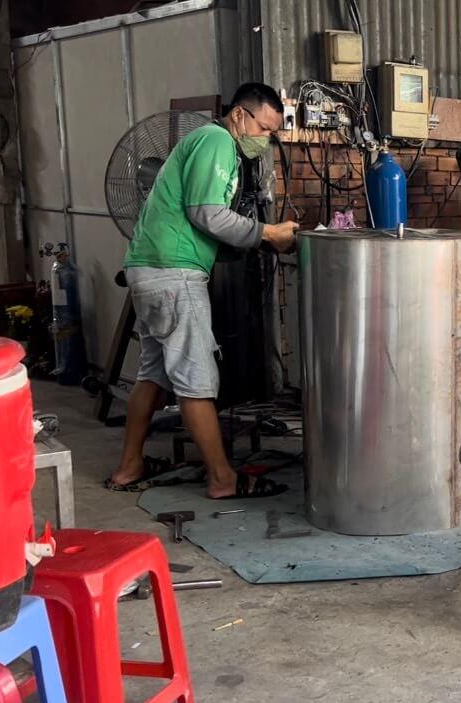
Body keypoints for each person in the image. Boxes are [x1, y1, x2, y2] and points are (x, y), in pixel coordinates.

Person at [107, 83, 299, 499]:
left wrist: (256, 237)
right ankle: (222, 479)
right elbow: (207, 213)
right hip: (174, 275)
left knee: (153, 374)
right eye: (264, 129)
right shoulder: (216, 140)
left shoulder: (204, 141)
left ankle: (129, 466)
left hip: (148, 270)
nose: (266, 140)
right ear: (239, 115)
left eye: (272, 133)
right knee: (196, 379)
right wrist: (268, 233)